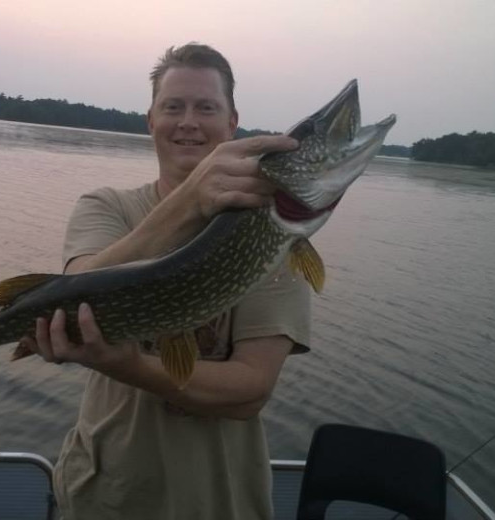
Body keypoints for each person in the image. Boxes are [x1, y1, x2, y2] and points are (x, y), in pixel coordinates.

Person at [23, 43, 311, 519]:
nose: (188, 122)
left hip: (222, 503)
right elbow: (78, 295)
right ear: (150, 120)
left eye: (206, 108)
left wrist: (129, 365)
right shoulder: (106, 207)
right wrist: (191, 200)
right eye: (172, 107)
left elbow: (250, 390)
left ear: (232, 123)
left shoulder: (269, 231)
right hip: (104, 498)